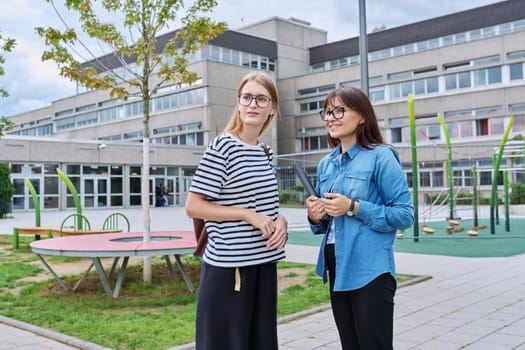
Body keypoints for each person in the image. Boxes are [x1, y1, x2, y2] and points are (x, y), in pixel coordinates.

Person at [185, 71, 288, 350]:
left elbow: (265, 205)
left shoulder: (265, 152)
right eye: (247, 97)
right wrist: (246, 214)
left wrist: (281, 221)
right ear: (239, 103)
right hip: (230, 269)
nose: (253, 104)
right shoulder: (223, 146)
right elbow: (193, 206)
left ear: (272, 107)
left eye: (261, 99)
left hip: (263, 265)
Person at [306, 87, 414, 350]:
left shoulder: (381, 156)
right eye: (327, 112)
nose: (330, 117)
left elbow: (404, 214)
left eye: (339, 110)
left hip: (370, 268)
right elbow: (325, 225)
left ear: (363, 116)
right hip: (336, 264)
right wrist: (315, 216)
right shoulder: (326, 164)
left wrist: (353, 207)